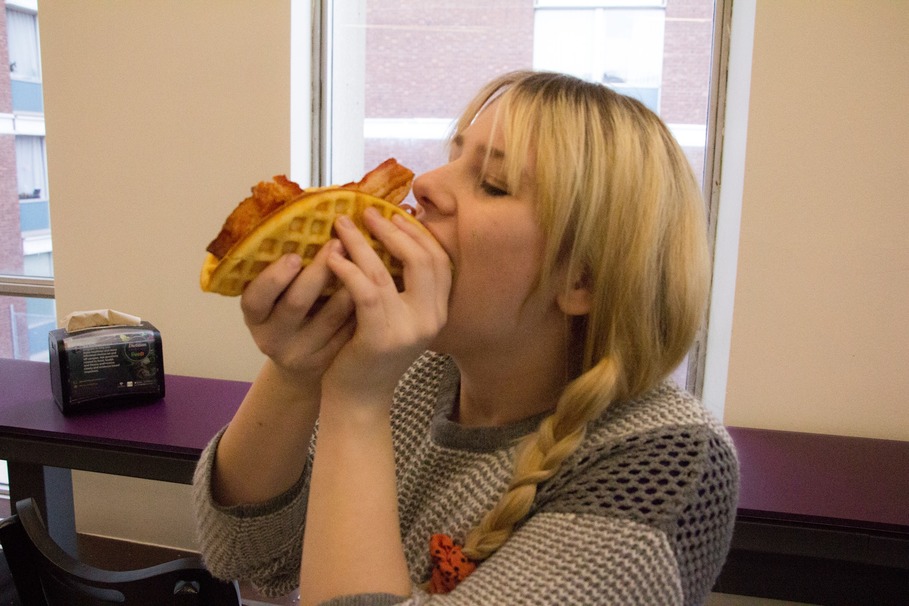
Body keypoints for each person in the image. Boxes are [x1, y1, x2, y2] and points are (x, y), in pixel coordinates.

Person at [191, 70, 739, 606]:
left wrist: (357, 403)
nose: (426, 184)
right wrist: (295, 374)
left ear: (582, 280)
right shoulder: (417, 372)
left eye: (492, 184)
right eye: (454, 155)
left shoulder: (668, 462)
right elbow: (244, 553)